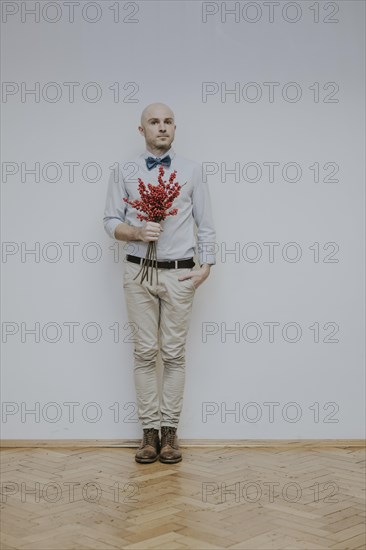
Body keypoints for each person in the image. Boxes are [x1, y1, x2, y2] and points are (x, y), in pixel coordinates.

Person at [103, 103, 216, 464]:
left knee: (173, 354)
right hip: (137, 272)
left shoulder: (192, 171)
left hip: (180, 274)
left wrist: (206, 266)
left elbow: (206, 223)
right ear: (142, 130)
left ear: (175, 127)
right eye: (154, 122)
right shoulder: (124, 170)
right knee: (144, 353)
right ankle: (148, 435)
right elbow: (108, 220)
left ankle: (170, 435)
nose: (162, 127)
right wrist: (136, 231)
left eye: (168, 122)